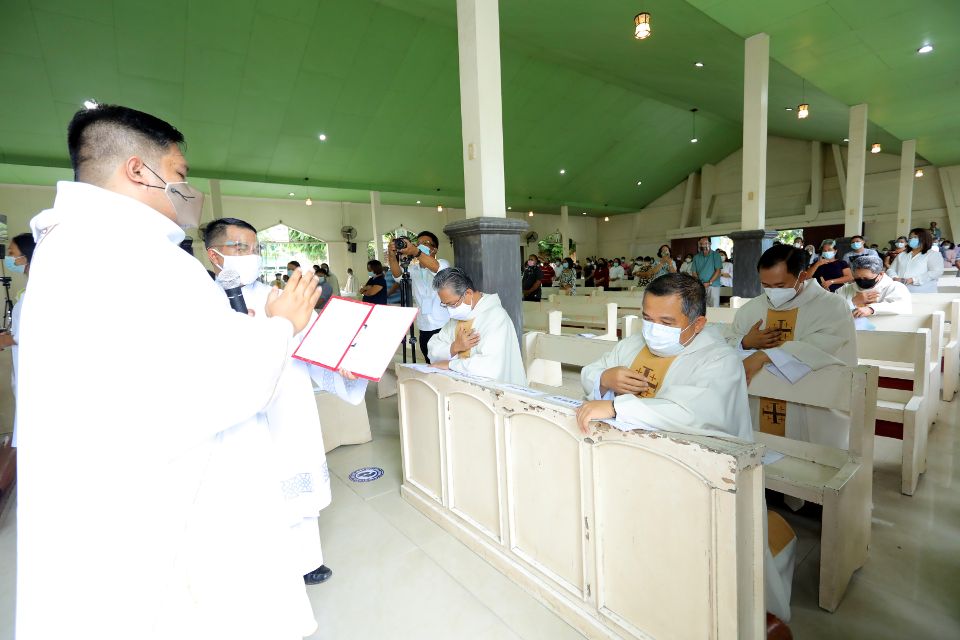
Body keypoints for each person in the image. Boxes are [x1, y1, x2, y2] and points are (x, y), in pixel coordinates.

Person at [17, 105, 322, 639]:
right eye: (179, 175)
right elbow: (216, 386)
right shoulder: (123, 252)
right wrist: (279, 326)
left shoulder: (81, 244)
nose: (187, 190)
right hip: (167, 507)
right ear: (138, 169)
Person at [203, 217, 365, 589]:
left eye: (255, 248)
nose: (251, 255)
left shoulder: (278, 297)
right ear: (215, 255)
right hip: (238, 416)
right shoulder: (203, 305)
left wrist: (342, 366)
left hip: (287, 406)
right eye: (240, 248)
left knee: (297, 482)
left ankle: (308, 560)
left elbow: (311, 347)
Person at [575, 273, 752, 440]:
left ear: (697, 324)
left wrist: (616, 408)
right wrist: (604, 379)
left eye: (666, 322)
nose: (654, 329)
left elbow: (693, 414)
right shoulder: (635, 343)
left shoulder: (720, 360)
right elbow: (591, 371)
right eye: (648, 319)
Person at [723, 244, 857, 449]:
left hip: (810, 403)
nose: (772, 292)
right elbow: (727, 342)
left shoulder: (831, 306)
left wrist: (762, 356)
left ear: (802, 276)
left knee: (808, 459)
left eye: (779, 285)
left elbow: (825, 348)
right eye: (765, 285)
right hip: (759, 397)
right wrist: (746, 342)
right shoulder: (752, 308)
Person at [426, 267, 525, 385]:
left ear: (467, 293)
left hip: (497, 394)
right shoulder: (459, 317)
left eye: (452, 304)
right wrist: (454, 347)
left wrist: (450, 364)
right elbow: (433, 348)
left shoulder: (496, 317)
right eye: (445, 305)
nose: (449, 310)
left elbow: (488, 367)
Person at [388, 231, 450, 363]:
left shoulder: (443, 263)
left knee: (444, 366)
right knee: (430, 365)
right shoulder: (412, 269)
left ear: (434, 249)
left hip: (443, 326)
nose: (421, 246)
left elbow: (436, 268)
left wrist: (416, 251)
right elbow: (397, 276)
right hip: (424, 327)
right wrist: (392, 255)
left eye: (426, 243)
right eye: (418, 243)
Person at [0, 233, 36, 447]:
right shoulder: (31, 289)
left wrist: (7, 340)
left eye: (12, 254)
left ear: (26, 257)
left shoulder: (39, 289)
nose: (9, 259)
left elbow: (31, 332)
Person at [837, 254, 911, 318]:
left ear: (880, 274)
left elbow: (903, 306)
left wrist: (871, 309)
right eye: (858, 278)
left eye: (866, 278)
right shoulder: (845, 289)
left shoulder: (895, 287)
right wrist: (854, 301)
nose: (862, 281)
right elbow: (832, 310)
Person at [887, 227, 944, 293]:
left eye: (915, 237)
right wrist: (894, 278)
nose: (911, 239)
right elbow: (891, 269)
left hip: (923, 292)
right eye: (910, 238)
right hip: (901, 291)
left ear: (924, 239)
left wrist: (912, 280)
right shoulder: (902, 255)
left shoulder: (933, 254)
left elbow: (936, 272)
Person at [691, 237, 723, 307]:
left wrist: (709, 282)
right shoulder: (696, 257)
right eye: (701, 244)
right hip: (701, 286)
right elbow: (694, 272)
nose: (703, 245)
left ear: (710, 244)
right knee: (702, 308)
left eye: (705, 243)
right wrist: (700, 283)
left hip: (713, 285)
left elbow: (718, 271)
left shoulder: (716, 255)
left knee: (714, 308)